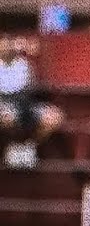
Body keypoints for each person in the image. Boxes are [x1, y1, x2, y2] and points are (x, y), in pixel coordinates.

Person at [0, 34, 65, 169]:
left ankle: (28, 147)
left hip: (27, 104)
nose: (6, 48)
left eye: (8, 45)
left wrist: (30, 53)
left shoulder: (24, 63)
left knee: (54, 117)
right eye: (3, 46)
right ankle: (13, 146)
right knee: (6, 117)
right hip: (4, 105)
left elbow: (36, 87)